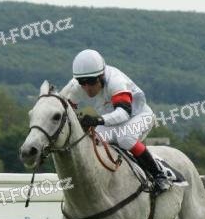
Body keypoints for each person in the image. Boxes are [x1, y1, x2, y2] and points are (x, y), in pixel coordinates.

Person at [60, 49, 171, 193]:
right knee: (91, 142)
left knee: (125, 138)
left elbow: (124, 113)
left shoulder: (115, 81)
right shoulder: (77, 85)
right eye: (82, 82)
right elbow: (60, 104)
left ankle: (159, 175)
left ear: (101, 76)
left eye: (91, 82)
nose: (87, 87)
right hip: (112, 121)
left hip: (139, 115)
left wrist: (97, 120)